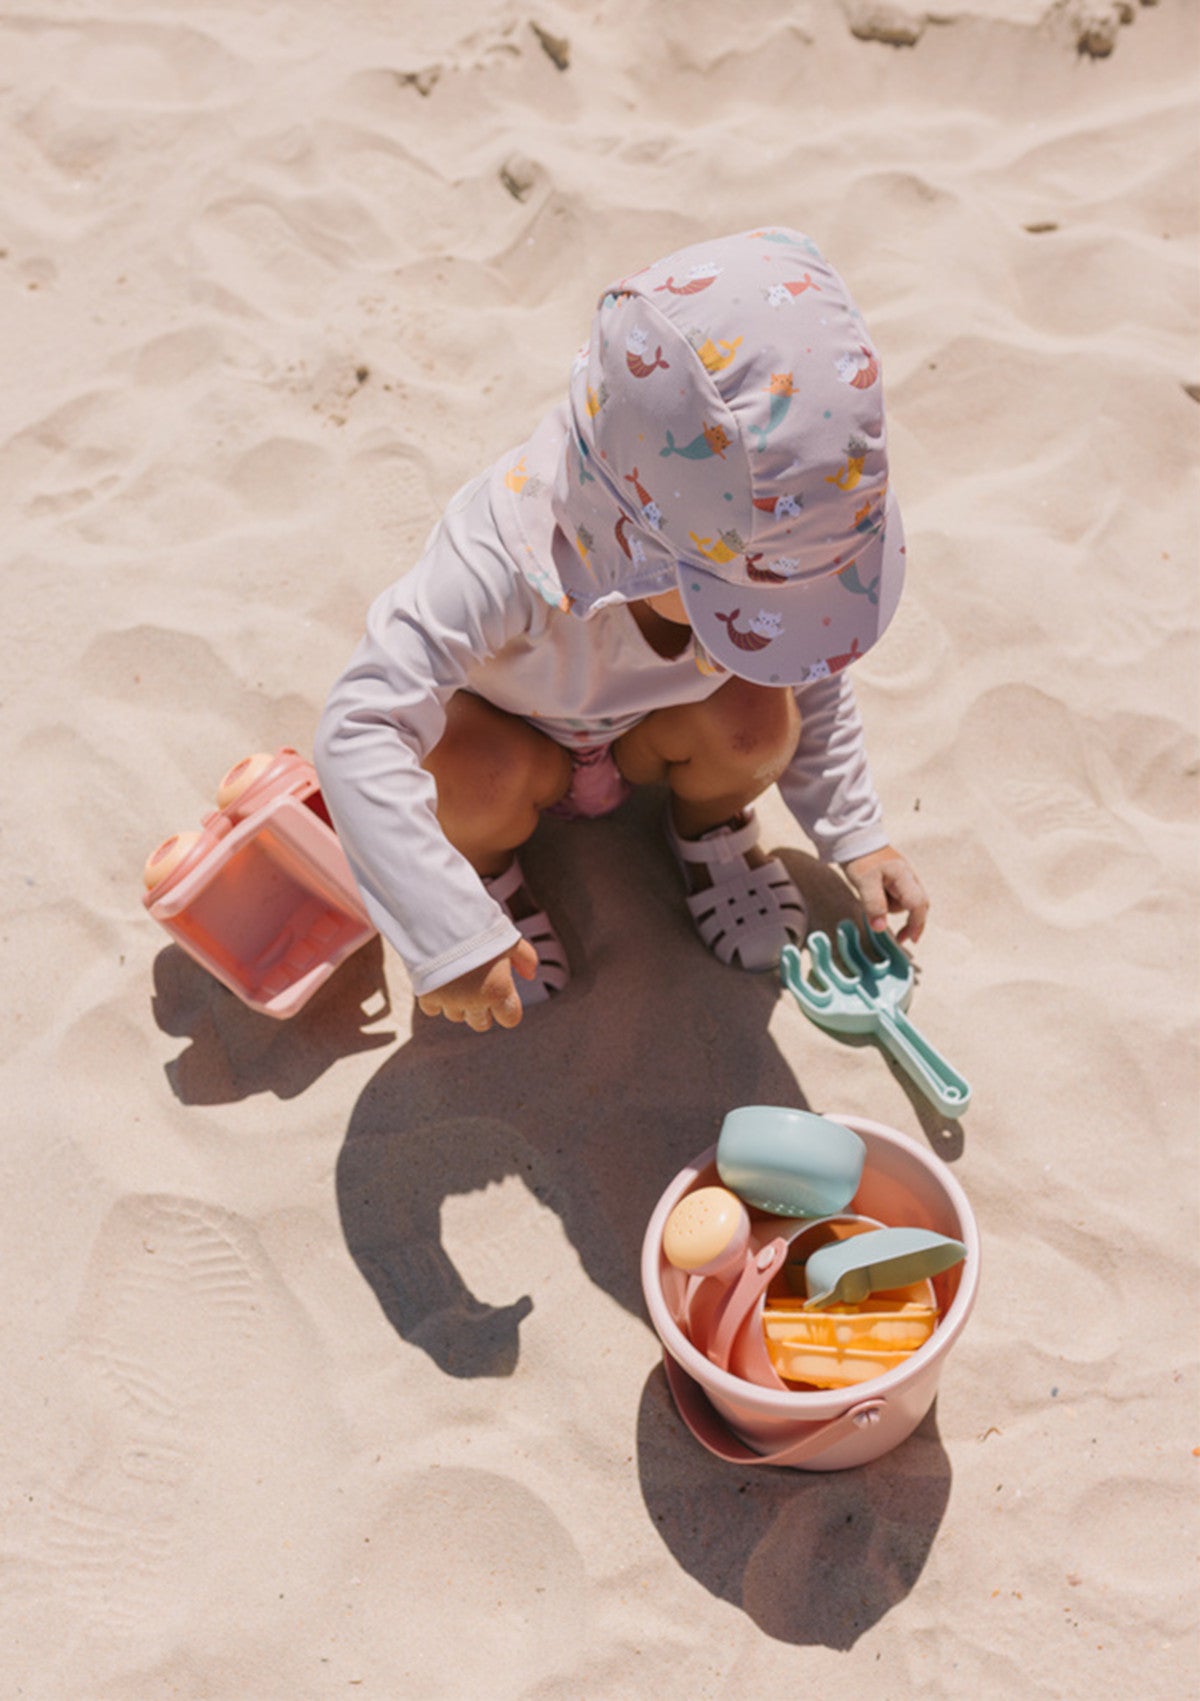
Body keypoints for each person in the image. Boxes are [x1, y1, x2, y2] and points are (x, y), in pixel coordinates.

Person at [315, 227, 928, 1033]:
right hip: (513, 735)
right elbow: (360, 724)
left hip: (649, 734)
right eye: (753, 606)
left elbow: (808, 664)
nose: (781, 617)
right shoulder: (502, 555)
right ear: (635, 541)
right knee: (475, 778)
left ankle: (709, 832)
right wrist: (444, 926)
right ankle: (489, 876)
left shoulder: (753, 550)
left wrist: (859, 837)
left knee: (754, 717)